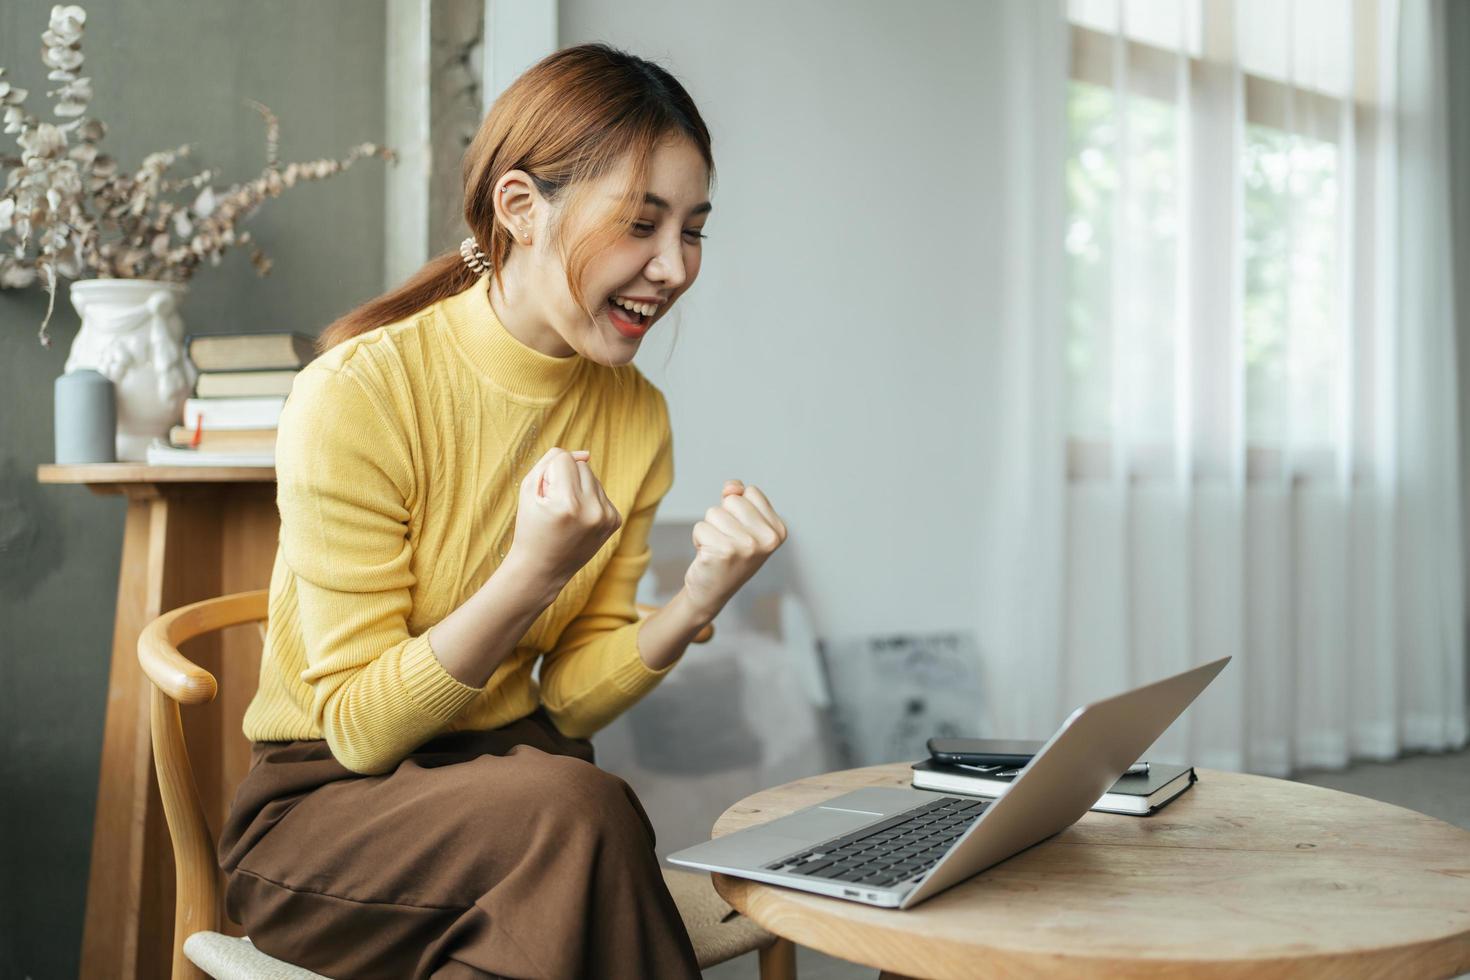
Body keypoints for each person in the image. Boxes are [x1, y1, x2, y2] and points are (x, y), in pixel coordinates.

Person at [218, 43, 788, 980]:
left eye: (693, 230)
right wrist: (530, 572)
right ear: (521, 209)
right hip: (328, 822)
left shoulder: (635, 415)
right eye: (640, 225)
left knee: (560, 859)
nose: (674, 267)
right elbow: (358, 728)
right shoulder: (361, 393)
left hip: (527, 807)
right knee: (584, 814)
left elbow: (566, 692)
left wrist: (695, 602)